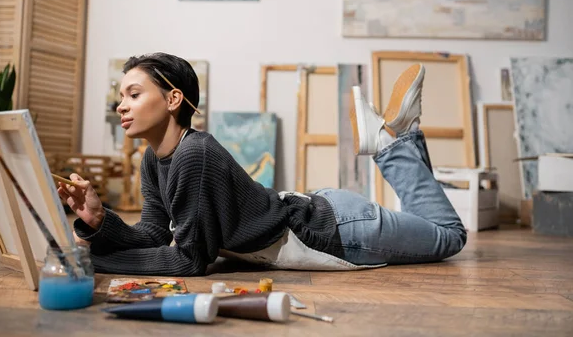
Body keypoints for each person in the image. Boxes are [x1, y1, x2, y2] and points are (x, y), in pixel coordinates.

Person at [59, 53, 466, 276]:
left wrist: (94, 262)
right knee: (431, 226)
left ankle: (392, 144)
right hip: (319, 214)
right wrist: (98, 222)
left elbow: (188, 260)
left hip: (334, 230)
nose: (121, 104)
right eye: (120, 95)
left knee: (450, 236)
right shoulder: (156, 159)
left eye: (133, 93)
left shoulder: (194, 154)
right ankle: (403, 134)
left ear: (172, 100)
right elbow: (152, 233)